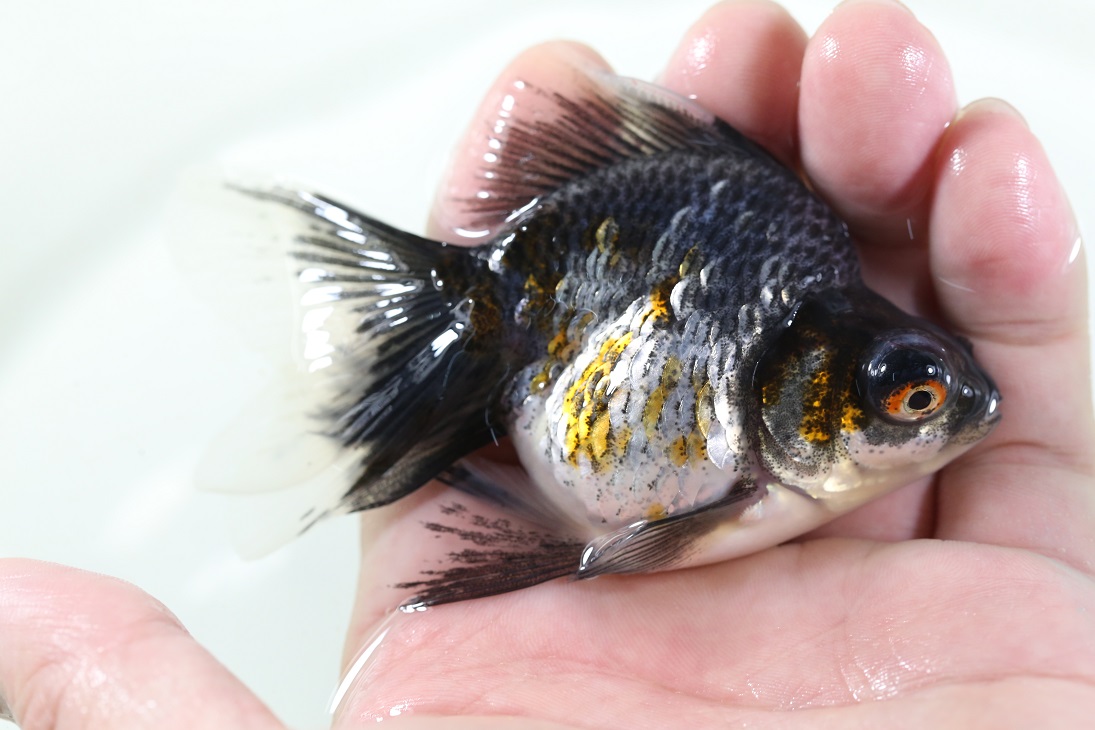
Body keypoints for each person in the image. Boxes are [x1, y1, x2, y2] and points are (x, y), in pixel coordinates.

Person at [2, 1, 1092, 727]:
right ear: (804, 381)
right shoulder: (769, 420)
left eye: (916, 398)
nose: (940, 415)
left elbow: (626, 541)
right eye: (911, 397)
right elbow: (635, 540)